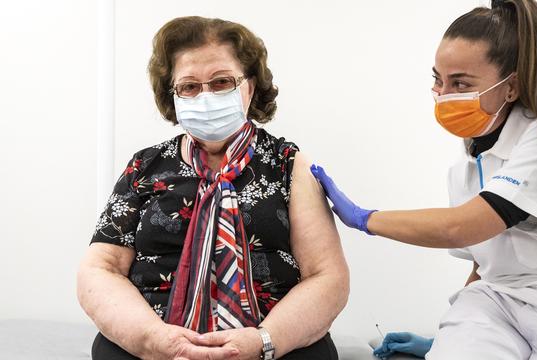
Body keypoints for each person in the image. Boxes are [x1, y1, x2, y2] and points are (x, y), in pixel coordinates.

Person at [311, 0, 537, 358]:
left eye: (460, 83)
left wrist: (365, 218)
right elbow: (485, 265)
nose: (443, 96)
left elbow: (461, 228)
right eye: (438, 80)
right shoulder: (467, 164)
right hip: (500, 301)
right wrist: (446, 337)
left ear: (510, 87)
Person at [77, 16, 348, 360]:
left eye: (221, 82)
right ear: (172, 95)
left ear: (249, 86)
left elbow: (327, 277)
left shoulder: (290, 165)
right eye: (189, 87)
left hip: (275, 346)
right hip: (152, 345)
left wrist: (263, 342)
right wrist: (153, 340)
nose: (205, 96)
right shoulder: (144, 167)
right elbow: (100, 269)